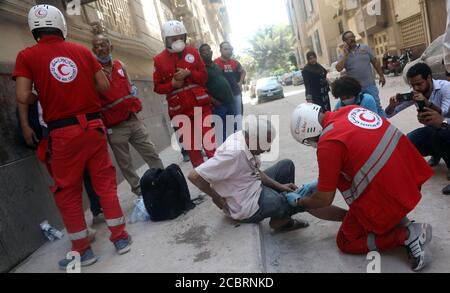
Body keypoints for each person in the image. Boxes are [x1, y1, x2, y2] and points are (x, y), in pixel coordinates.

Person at [13, 5, 131, 269]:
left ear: (35, 29)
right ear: (60, 25)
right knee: (104, 184)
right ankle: (120, 239)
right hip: (94, 127)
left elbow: (22, 96)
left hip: (63, 133)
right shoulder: (81, 51)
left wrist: (41, 92)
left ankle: (83, 251)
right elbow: (103, 86)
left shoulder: (27, 56)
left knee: (68, 192)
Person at [290, 103, 433, 271]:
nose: (313, 143)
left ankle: (406, 236)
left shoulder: (328, 144)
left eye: (310, 141)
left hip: (387, 194)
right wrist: (321, 182)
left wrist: (300, 202)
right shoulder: (350, 110)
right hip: (409, 174)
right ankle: (403, 224)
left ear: (310, 131)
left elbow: (324, 198)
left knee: (345, 241)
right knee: (374, 191)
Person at [188, 117, 347, 231]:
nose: (268, 150)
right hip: (245, 204)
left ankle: (282, 217)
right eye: (265, 145)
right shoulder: (233, 153)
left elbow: (255, 172)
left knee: (286, 166)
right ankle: (282, 219)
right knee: (288, 201)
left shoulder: (246, 140)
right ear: (253, 139)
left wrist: (282, 187)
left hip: (251, 185)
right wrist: (216, 197)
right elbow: (194, 176)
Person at [92, 34, 164, 196]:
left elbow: (130, 87)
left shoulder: (120, 65)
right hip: (114, 127)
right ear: (93, 50)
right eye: (96, 46)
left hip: (133, 120)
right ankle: (139, 191)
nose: (100, 49)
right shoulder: (94, 72)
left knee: (150, 151)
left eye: (103, 45)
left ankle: (163, 179)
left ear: (111, 47)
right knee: (125, 163)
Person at [18, 101, 105, 224]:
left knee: (87, 173)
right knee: (67, 186)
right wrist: (26, 127)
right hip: (52, 140)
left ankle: (97, 210)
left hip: (71, 133)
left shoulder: (51, 90)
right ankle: (79, 225)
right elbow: (24, 102)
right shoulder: (30, 96)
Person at [153, 20, 216, 168]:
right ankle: (204, 182)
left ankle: (220, 180)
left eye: (180, 38)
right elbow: (157, 87)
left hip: (201, 107)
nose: (178, 41)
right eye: (174, 39)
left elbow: (204, 77)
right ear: (166, 39)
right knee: (193, 150)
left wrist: (189, 73)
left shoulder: (193, 52)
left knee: (210, 145)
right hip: (179, 111)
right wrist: (172, 85)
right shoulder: (159, 60)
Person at [385, 63, 450, 195]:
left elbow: (444, 112)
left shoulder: (446, 87)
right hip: (434, 129)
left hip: (447, 126)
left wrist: (427, 102)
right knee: (409, 142)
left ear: (429, 78)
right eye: (412, 85)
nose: (415, 88)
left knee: (441, 134)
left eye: (419, 84)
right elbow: (390, 113)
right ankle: (437, 153)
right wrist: (392, 106)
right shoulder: (416, 92)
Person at [336, 31, 386, 117]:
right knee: (360, 110)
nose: (352, 39)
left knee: (377, 106)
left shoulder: (365, 48)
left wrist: (381, 75)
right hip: (355, 89)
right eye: (349, 38)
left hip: (369, 85)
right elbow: (338, 68)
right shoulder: (343, 55)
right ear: (344, 42)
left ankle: (384, 127)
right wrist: (345, 55)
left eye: (353, 37)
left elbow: (375, 61)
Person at [199, 43, 235, 144]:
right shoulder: (202, 69)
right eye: (204, 51)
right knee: (222, 131)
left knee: (232, 127)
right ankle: (225, 151)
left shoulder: (216, 65)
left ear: (211, 51)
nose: (207, 52)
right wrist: (213, 100)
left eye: (208, 50)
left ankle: (233, 149)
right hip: (218, 104)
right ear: (200, 54)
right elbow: (202, 89)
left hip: (229, 101)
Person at [215, 41, 246, 126]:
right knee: (229, 118)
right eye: (225, 49)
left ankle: (239, 135)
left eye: (230, 49)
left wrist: (240, 83)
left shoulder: (235, 62)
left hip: (236, 93)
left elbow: (243, 72)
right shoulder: (215, 63)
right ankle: (232, 136)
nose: (228, 51)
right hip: (224, 96)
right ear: (220, 50)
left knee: (238, 115)